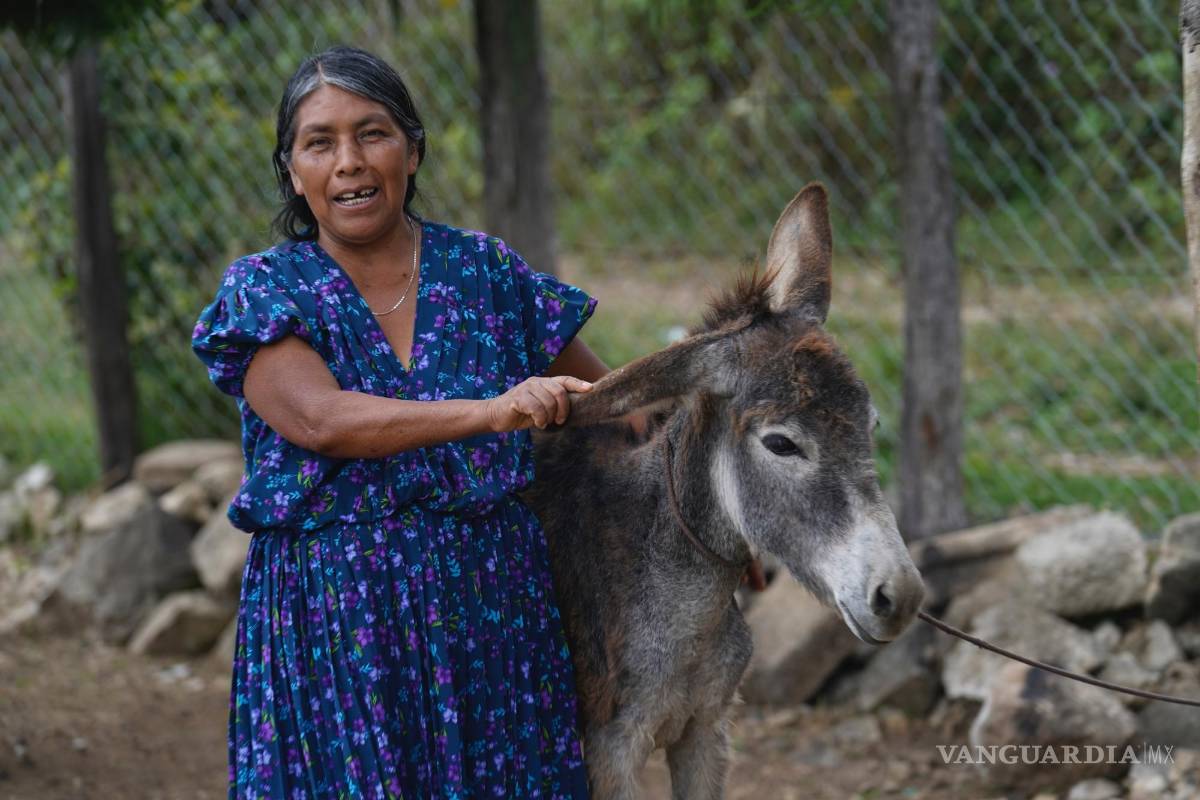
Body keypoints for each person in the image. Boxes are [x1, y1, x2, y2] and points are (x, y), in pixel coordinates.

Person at [191, 45, 608, 799]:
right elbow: (320, 421)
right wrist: (493, 411)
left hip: (494, 616)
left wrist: (715, 506)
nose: (348, 161)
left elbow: (612, 406)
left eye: (372, 133)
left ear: (412, 151)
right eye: (320, 142)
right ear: (292, 170)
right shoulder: (264, 290)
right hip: (339, 631)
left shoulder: (485, 272)